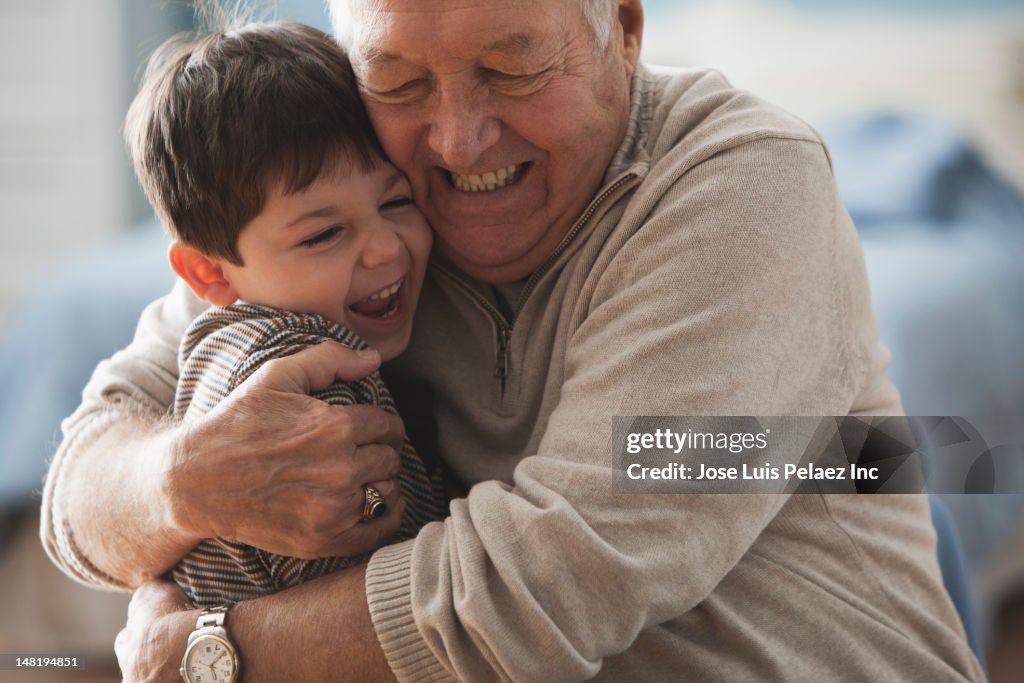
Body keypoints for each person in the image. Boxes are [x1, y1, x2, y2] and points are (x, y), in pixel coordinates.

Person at [42, 0, 985, 680]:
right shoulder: (376, 209)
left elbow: (556, 574)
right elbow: (86, 469)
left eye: (513, 66)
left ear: (623, 27)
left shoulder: (746, 185)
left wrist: (212, 652)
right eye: (399, 79)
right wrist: (179, 479)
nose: (456, 141)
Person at [121, 20, 444, 608]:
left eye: (397, 201)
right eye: (323, 234)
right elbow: (373, 594)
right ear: (209, 274)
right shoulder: (306, 381)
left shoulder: (219, 338)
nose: (386, 248)